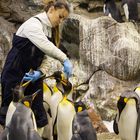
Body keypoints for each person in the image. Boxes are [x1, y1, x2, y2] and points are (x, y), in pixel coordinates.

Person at [0, 0, 72, 128]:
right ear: (51, 10)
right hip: (15, 73)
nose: (61, 21)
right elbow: (45, 45)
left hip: (33, 76)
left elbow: (47, 57)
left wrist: (41, 72)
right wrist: (64, 59)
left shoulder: (50, 31)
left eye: (64, 19)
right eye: (60, 16)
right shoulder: (33, 24)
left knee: (37, 114)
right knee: (10, 114)